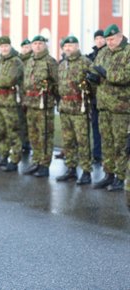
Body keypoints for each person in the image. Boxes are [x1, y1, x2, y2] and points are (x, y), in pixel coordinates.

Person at [87, 24, 130, 191]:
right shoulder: (104, 52)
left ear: (120, 36)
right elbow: (95, 67)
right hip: (104, 105)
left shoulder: (127, 52)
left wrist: (106, 75)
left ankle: (120, 177)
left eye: (112, 39)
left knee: (120, 144)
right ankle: (109, 174)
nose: (110, 42)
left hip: (121, 107)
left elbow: (126, 75)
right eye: (108, 40)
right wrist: (93, 77)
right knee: (107, 142)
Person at [56, 36, 93, 185]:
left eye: (71, 45)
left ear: (77, 46)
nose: (68, 48)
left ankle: (86, 171)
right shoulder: (62, 64)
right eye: (66, 46)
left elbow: (93, 85)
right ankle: (71, 168)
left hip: (79, 107)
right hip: (65, 107)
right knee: (68, 140)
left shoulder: (86, 62)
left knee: (82, 141)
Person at [22, 35, 58, 177]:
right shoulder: (30, 61)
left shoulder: (50, 62)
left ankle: (44, 165)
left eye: (40, 43)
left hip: (44, 104)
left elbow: (56, 83)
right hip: (31, 103)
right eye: (35, 43)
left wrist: (51, 95)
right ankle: (36, 161)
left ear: (45, 45)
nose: (37, 46)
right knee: (33, 134)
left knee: (45, 135)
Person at [0, 36, 24, 172]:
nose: (4, 48)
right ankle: (3, 156)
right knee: (1, 131)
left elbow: (9, 80)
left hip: (10, 101)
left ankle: (14, 160)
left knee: (13, 131)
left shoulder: (16, 61)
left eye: (6, 46)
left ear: (10, 46)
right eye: (2, 46)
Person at [86, 29, 106, 164]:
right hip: (93, 98)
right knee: (95, 127)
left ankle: (109, 155)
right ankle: (97, 154)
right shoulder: (91, 55)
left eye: (101, 38)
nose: (99, 41)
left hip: (106, 98)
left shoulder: (108, 54)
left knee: (107, 128)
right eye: (97, 39)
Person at [18, 38, 32, 154]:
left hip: (29, 94)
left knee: (29, 120)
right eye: (23, 47)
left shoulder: (32, 60)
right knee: (21, 119)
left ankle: (28, 142)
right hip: (19, 94)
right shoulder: (19, 60)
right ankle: (23, 141)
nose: (25, 49)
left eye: (27, 47)